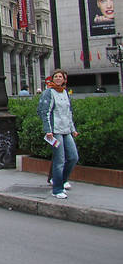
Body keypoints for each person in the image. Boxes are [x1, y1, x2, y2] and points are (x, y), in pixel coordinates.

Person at [37, 68, 79, 199]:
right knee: (59, 159)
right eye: (56, 77)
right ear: (52, 79)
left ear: (64, 79)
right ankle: (57, 189)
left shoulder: (65, 92)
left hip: (66, 130)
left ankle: (60, 179)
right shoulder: (49, 93)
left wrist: (73, 129)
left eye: (60, 77)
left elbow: (69, 112)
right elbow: (45, 112)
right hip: (55, 131)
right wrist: (48, 130)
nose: (58, 79)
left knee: (73, 157)